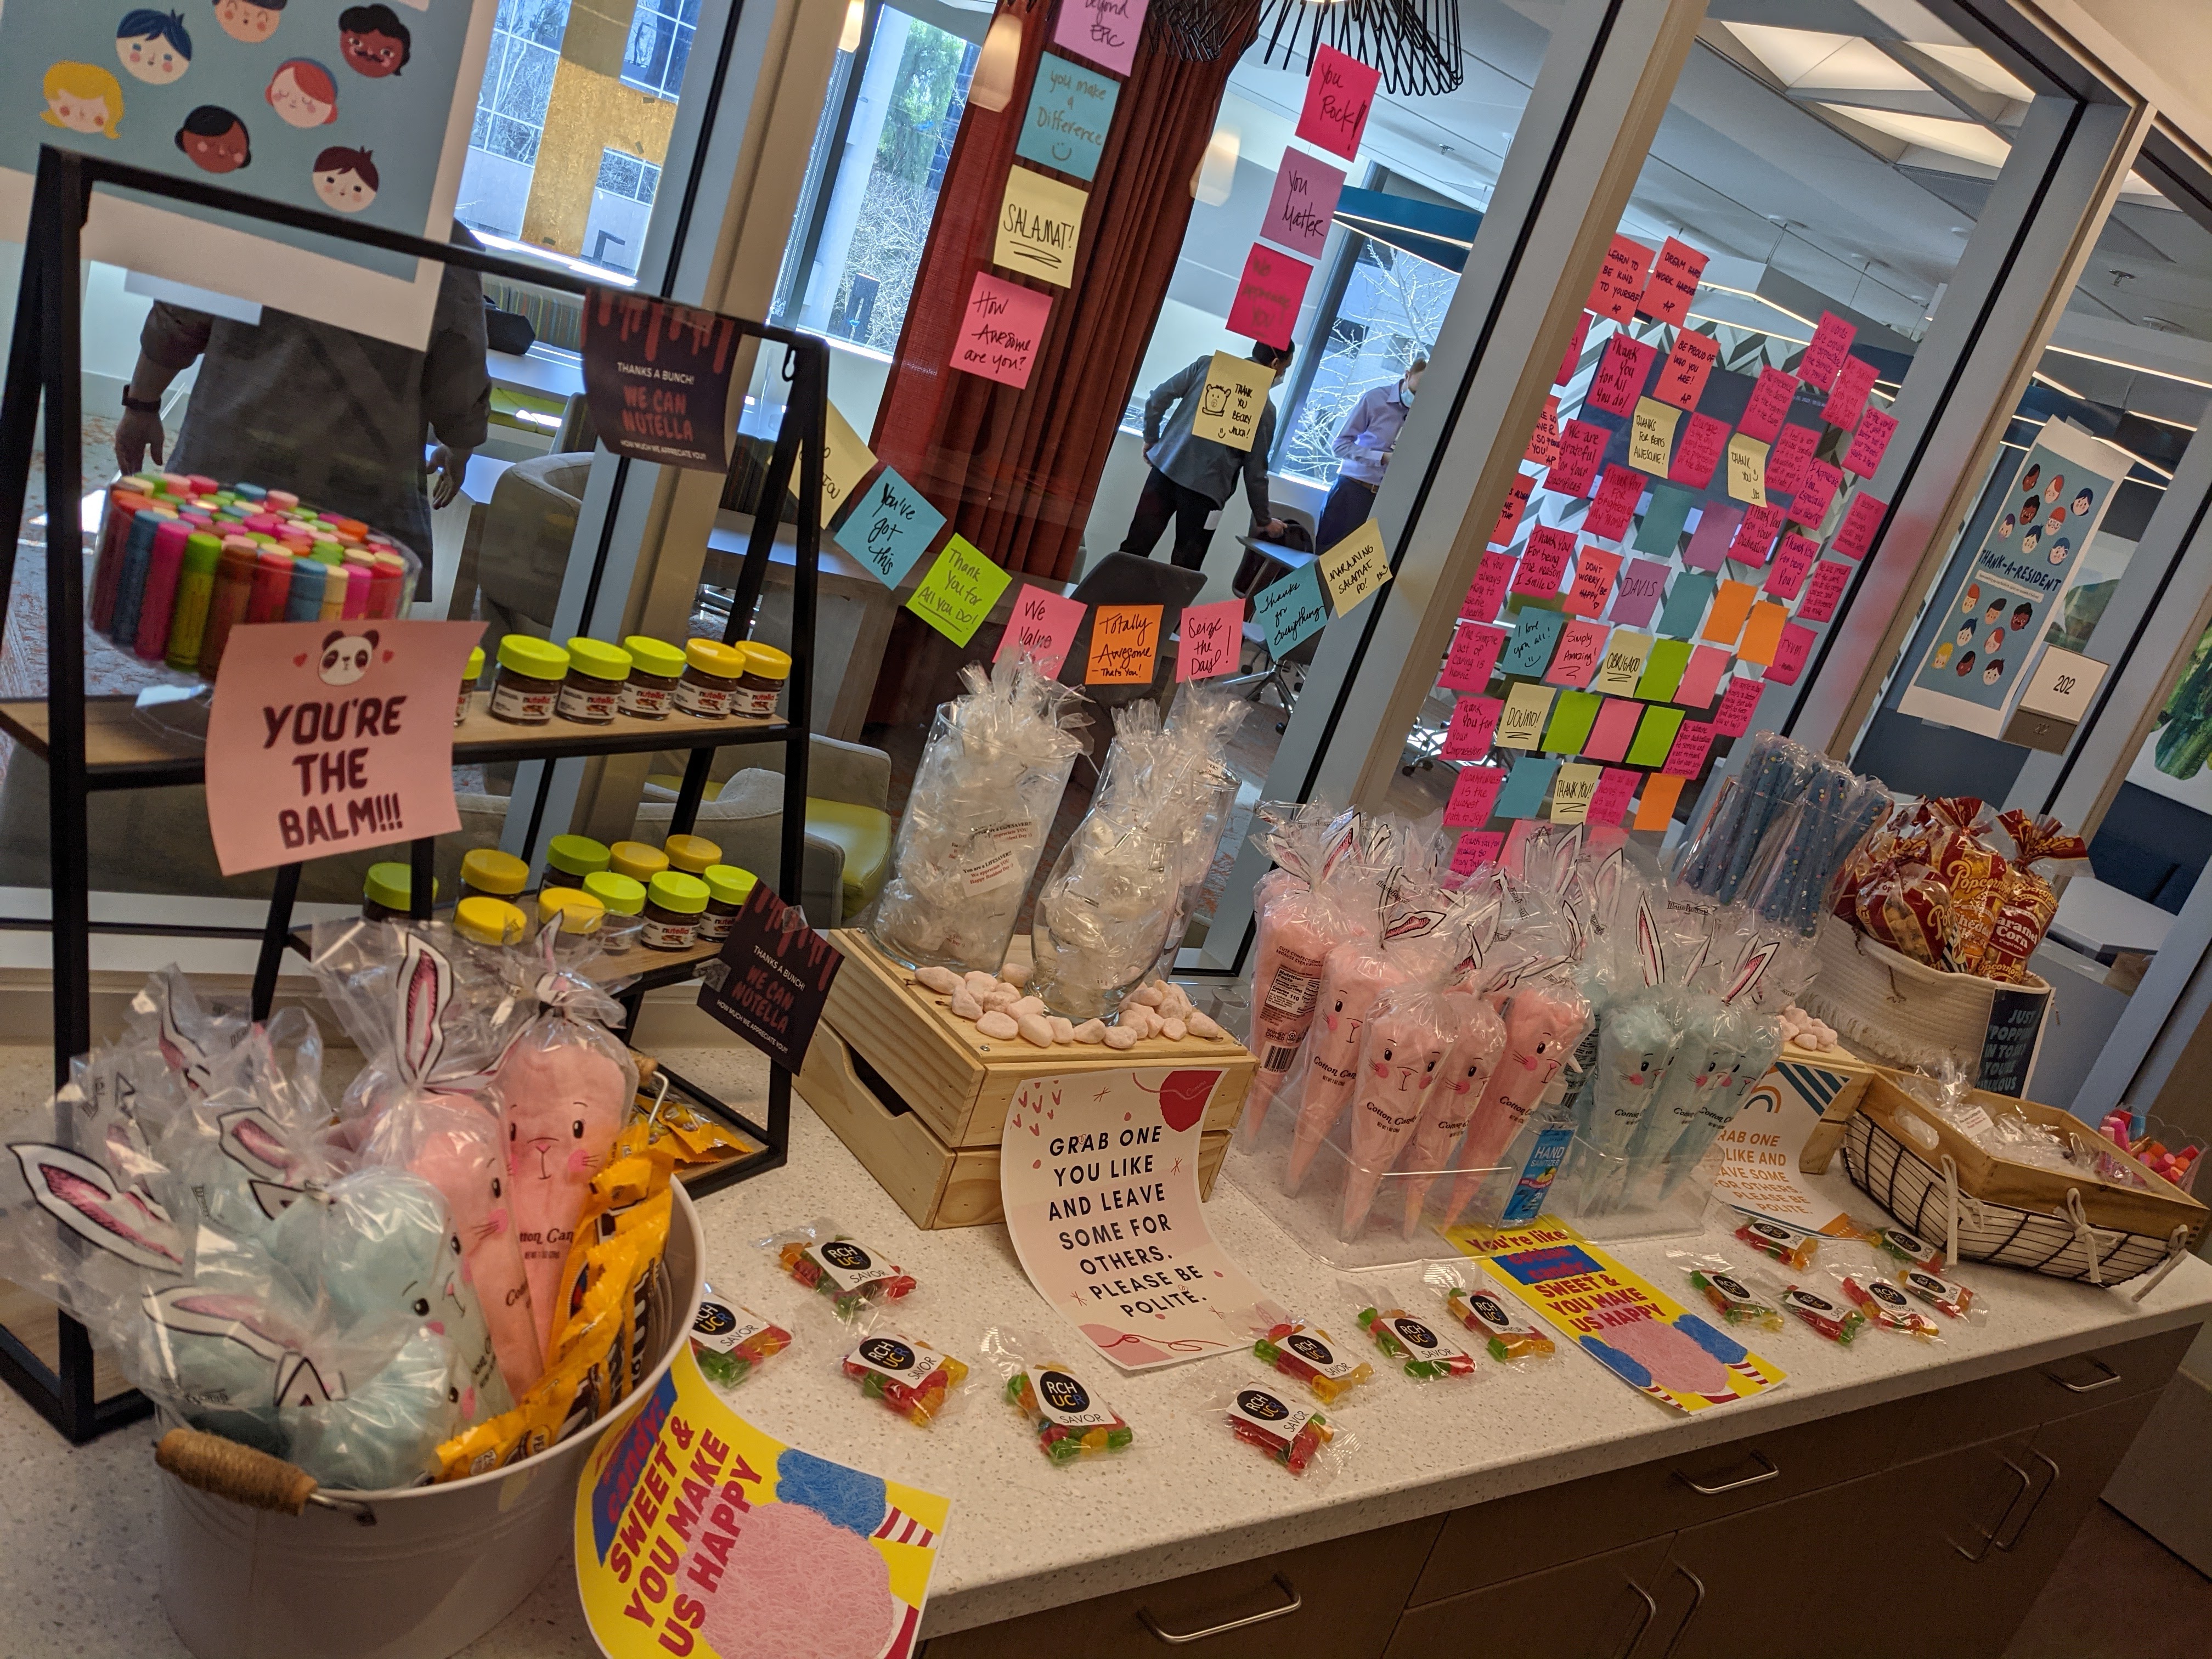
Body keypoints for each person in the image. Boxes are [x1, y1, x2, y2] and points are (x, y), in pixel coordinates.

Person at [114, 221, 490, 567]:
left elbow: (180, 317)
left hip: (228, 467)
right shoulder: (446, 242)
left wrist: (141, 404)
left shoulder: (262, 196)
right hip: (358, 502)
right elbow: (458, 375)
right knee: (331, 616)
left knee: (200, 594)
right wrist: (460, 446)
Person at [1120, 341, 1293, 569]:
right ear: (1274, 364)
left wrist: (1152, 438)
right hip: (1206, 495)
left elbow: (1157, 399)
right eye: (1285, 368)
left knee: (1133, 550)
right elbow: (1255, 472)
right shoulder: (1265, 409)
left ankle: (1109, 593)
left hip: (1164, 471)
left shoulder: (1207, 365)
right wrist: (1264, 520)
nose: (1282, 375)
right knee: (1184, 569)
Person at [1314, 357, 1424, 554]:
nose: (1417, 398)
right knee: (1327, 558)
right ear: (1407, 375)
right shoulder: (1375, 399)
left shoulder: (1427, 413)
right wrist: (1380, 457)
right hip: (1352, 490)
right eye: (1415, 391)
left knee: (1360, 566)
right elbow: (1339, 446)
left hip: (1384, 501)